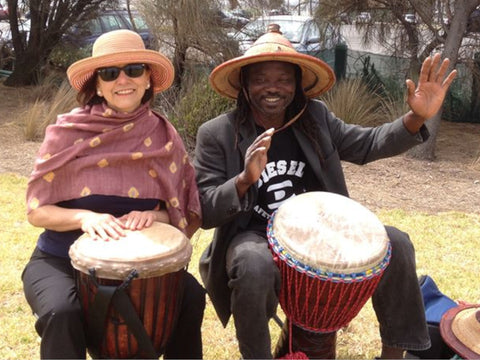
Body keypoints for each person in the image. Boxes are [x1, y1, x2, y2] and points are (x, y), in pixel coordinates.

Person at [194, 24, 457, 359]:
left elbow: (367, 144)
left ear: (297, 85)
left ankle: (396, 354)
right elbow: (205, 209)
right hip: (252, 235)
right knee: (252, 263)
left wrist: (415, 118)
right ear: (244, 85)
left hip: (318, 235)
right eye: (260, 78)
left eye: (284, 79)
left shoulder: (314, 118)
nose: (272, 88)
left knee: (397, 242)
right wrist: (244, 179)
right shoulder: (217, 133)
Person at [22, 29, 205, 359]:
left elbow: (179, 211)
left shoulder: (165, 135)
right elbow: (37, 211)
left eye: (134, 69)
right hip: (61, 260)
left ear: (149, 79)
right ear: (98, 85)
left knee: (191, 296)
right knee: (61, 312)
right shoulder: (66, 132)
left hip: (141, 269)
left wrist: (155, 216)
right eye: (110, 73)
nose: (123, 80)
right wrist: (84, 217)